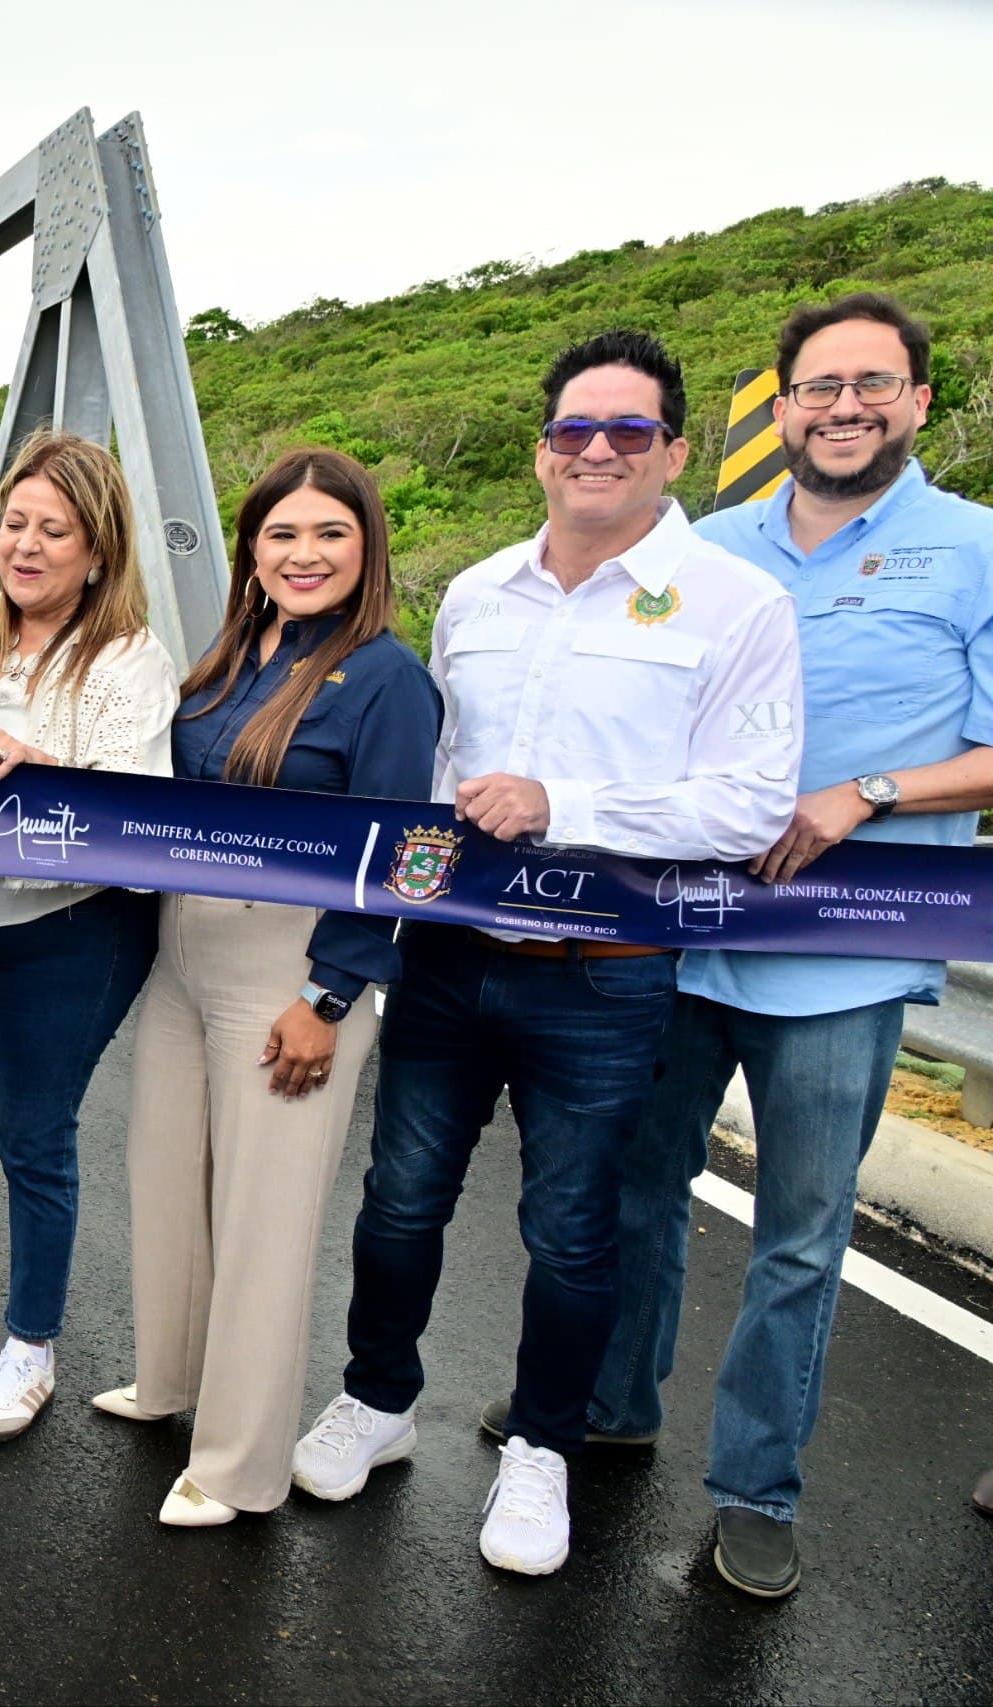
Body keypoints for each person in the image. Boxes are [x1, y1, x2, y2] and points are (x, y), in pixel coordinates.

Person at [291, 330, 804, 1578]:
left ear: (675, 450)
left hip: (605, 972)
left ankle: (540, 1451)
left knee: (575, 1232)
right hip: (453, 957)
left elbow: (751, 803)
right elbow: (439, 773)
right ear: (542, 451)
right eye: (576, 429)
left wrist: (561, 805)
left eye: (629, 431)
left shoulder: (740, 603)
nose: (598, 450)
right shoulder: (475, 593)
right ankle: (377, 1397)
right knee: (400, 1203)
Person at [585, 294, 993, 1599]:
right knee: (635, 1194)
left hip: (845, 953)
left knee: (801, 1238)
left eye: (875, 383)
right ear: (784, 404)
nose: (845, 406)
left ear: (922, 400)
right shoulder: (701, 541)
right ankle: (609, 1404)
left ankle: (756, 1487)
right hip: (686, 936)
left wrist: (864, 794)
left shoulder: (976, 547)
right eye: (820, 386)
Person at [94, 448, 439, 1525]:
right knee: (167, 1180)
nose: (303, 554)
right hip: (182, 956)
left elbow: (399, 854)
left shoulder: (388, 678)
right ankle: (171, 1385)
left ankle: (238, 1468)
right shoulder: (234, 654)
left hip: (289, 971)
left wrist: (330, 997)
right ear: (251, 548)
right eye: (281, 534)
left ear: (366, 546)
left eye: (329, 534)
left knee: (262, 1222)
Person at [0, 430, 176, 1441]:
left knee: (35, 1131)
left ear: (96, 550)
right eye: (14, 524)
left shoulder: (129, 661)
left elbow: (127, 813)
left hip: (70, 927)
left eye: (53, 530)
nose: (26, 546)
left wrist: (35, 759)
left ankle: (30, 1348)